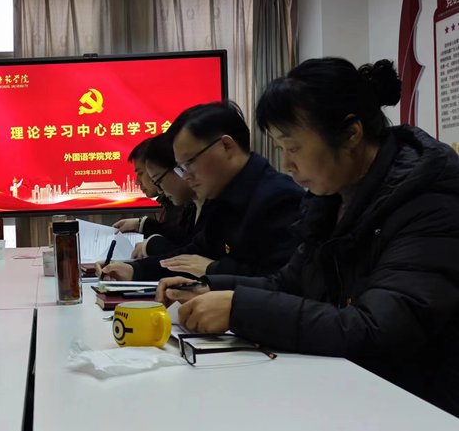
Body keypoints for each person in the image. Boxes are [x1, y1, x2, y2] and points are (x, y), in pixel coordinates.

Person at [158, 58, 459, 417]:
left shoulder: (430, 202)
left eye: (294, 148)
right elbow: (291, 282)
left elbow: (377, 329)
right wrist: (209, 288)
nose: (287, 165)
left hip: (418, 405)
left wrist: (240, 310)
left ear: (351, 134)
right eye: (281, 149)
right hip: (350, 388)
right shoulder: (332, 198)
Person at [102, 101, 304, 281]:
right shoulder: (220, 197)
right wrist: (134, 270)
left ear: (226, 146)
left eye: (189, 162)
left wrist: (213, 269)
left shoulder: (279, 198)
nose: (186, 175)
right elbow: (193, 255)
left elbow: (283, 283)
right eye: (180, 167)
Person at [113, 137, 186, 253]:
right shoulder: (172, 201)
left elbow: (184, 249)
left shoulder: (185, 202)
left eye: (140, 173)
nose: (137, 182)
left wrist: (148, 247)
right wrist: (141, 224)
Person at [136, 132, 203, 257]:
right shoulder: (193, 205)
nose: (160, 190)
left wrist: (151, 246)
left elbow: (191, 255)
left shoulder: (219, 205)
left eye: (158, 180)